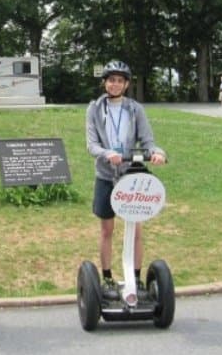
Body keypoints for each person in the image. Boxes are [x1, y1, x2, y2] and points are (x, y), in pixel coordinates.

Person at [86, 60, 166, 300]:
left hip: (132, 176)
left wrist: (157, 152)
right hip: (106, 175)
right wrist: (106, 153)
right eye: (111, 80)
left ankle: (136, 278)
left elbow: (147, 140)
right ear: (104, 82)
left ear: (127, 84)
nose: (115, 84)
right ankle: (108, 277)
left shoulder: (135, 109)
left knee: (136, 229)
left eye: (120, 80)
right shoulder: (95, 109)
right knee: (106, 229)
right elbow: (91, 144)